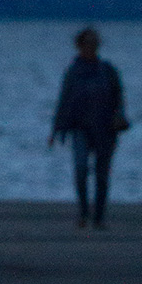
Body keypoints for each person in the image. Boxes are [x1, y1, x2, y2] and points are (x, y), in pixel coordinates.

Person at [50, 27, 127, 226]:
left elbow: (119, 97)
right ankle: (84, 212)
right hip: (79, 128)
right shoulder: (73, 72)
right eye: (87, 43)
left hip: (105, 129)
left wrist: (119, 116)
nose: (91, 46)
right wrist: (56, 129)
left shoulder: (107, 70)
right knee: (81, 168)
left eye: (95, 43)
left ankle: (99, 216)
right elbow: (64, 100)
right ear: (79, 45)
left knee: (102, 174)